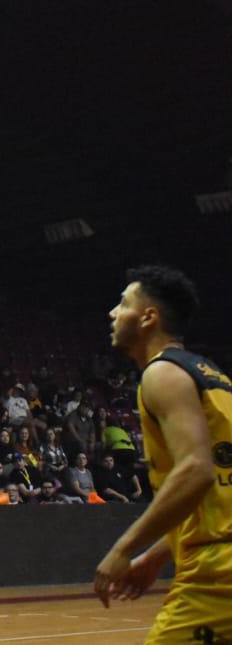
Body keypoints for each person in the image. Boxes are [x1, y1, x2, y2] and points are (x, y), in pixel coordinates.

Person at [94, 266, 232, 642]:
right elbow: (217, 491)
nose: (113, 313)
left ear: (148, 317)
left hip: (217, 574)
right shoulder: (210, 375)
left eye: (123, 303)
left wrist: (123, 550)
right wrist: (154, 559)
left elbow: (197, 471)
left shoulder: (162, 374)